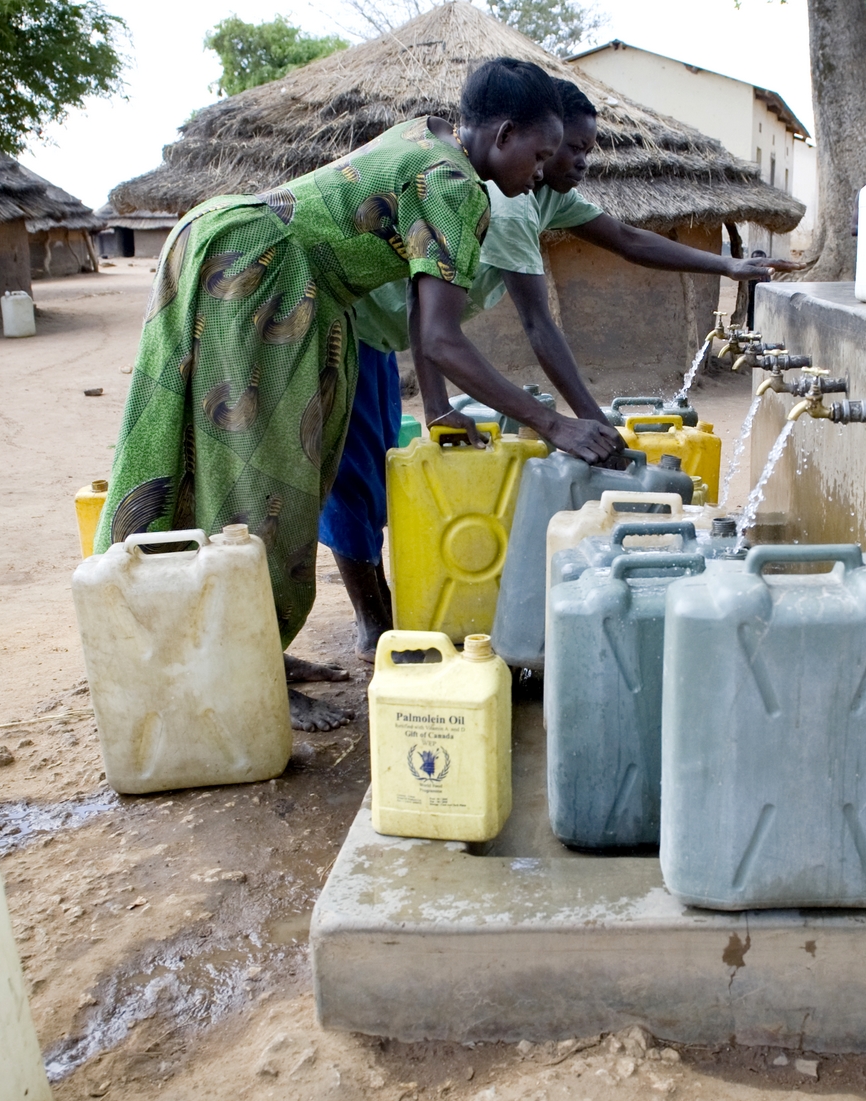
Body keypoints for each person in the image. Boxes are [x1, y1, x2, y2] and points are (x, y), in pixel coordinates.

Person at [98, 58, 610, 729]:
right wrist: (554, 423)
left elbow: (418, 316)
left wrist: (440, 407)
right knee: (261, 482)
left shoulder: (428, 138)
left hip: (249, 253)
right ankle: (243, 672)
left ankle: (249, 649)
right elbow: (440, 338)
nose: (540, 173)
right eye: (540, 156)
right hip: (262, 271)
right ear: (504, 134)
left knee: (237, 465)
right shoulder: (456, 185)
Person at [325, 76, 797, 655]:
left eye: (580, 152)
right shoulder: (501, 205)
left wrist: (726, 269)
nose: (578, 162)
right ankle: (373, 623)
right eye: (568, 150)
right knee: (354, 479)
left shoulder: (540, 192)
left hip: (384, 328)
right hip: (348, 320)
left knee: (369, 472)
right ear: (518, 139)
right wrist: (573, 423)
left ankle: (390, 612)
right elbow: (531, 324)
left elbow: (626, 238)